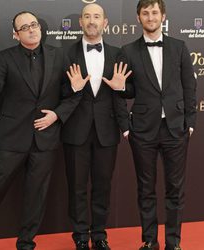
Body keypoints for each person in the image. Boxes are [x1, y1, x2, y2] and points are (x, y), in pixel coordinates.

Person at [0, 11, 79, 250]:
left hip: (45, 137)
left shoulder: (58, 55)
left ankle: (26, 243)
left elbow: (71, 95)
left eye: (34, 24)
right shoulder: (6, 57)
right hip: (13, 137)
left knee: (36, 195)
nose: (31, 29)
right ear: (15, 34)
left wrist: (57, 115)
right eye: (25, 27)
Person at [107, 0, 197, 249]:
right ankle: (149, 241)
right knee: (145, 188)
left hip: (176, 127)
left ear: (163, 15)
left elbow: (189, 85)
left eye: (154, 12)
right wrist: (125, 126)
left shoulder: (179, 47)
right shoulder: (128, 50)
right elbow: (124, 91)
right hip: (143, 130)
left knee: (175, 189)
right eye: (145, 13)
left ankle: (173, 243)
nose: (150, 16)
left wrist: (190, 122)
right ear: (138, 18)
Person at [62, 3, 131, 250]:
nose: (92, 21)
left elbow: (120, 94)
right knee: (77, 186)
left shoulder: (117, 53)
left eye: (97, 17)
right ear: (80, 22)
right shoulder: (65, 54)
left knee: (103, 185)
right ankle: (80, 236)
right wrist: (72, 87)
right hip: (75, 130)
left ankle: (100, 235)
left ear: (105, 23)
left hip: (107, 131)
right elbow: (56, 92)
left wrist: (125, 126)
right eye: (87, 16)